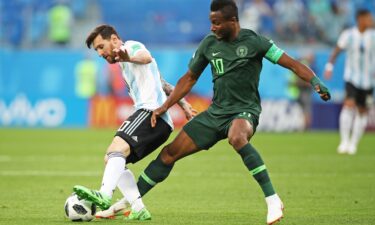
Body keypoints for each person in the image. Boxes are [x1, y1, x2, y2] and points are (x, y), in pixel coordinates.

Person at [135, 0, 331, 225]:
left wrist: (315, 81)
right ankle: (129, 201)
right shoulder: (209, 44)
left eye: (217, 23)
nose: (212, 27)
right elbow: (189, 79)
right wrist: (164, 107)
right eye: (211, 22)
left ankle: (273, 200)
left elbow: (293, 64)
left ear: (233, 21)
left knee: (237, 137)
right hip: (215, 113)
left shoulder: (256, 42)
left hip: (244, 111)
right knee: (169, 153)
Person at [72, 24, 197, 220]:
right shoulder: (124, 63)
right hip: (159, 121)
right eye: (97, 50)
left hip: (150, 113)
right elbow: (161, 82)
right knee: (112, 159)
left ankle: (104, 194)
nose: (99, 53)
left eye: (100, 46)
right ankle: (138, 207)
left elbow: (145, 56)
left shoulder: (130, 46)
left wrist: (127, 56)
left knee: (116, 149)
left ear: (113, 40)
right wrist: (184, 103)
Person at [324, 9, 374, 155]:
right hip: (352, 77)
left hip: (369, 80)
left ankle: (353, 144)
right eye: (368, 18)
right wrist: (329, 66)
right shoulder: (349, 35)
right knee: (349, 105)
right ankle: (344, 141)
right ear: (360, 19)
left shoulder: (373, 36)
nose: (371, 20)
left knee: (363, 111)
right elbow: (337, 50)